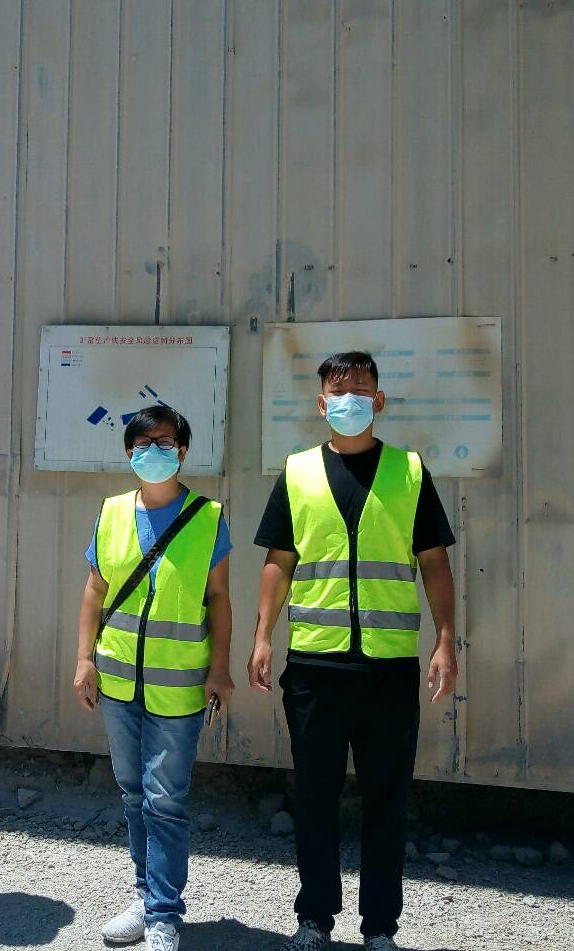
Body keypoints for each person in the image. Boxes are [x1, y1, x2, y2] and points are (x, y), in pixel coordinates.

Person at [248, 351, 458, 951]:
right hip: (315, 666)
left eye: (361, 391)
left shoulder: (409, 471)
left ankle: (380, 928)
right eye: (338, 393)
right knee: (315, 797)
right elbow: (278, 561)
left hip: (388, 668)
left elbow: (434, 563)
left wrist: (446, 640)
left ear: (379, 400)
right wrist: (262, 637)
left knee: (387, 802)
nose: (350, 401)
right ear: (321, 403)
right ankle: (314, 918)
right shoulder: (297, 472)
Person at [72, 405, 235, 951]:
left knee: (164, 798)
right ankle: (144, 897)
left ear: (183, 451)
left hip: (179, 683)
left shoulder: (207, 516)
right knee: (132, 792)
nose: (153, 452)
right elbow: (95, 590)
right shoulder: (112, 511)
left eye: (164, 442)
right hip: (118, 679)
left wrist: (220, 668)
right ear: (129, 452)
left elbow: (218, 598)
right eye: (142, 443)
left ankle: (164, 914)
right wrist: (84, 660)